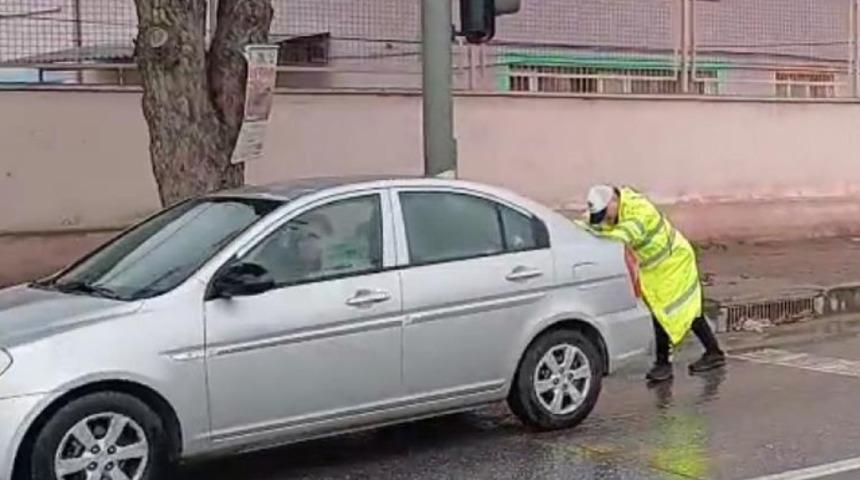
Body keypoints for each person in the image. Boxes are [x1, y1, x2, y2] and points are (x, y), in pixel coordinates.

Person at [581, 185, 726, 382]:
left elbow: (623, 236)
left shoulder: (638, 210)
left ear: (613, 201)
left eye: (605, 214)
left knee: (668, 311)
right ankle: (712, 353)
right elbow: (588, 222)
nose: (605, 220)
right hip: (656, 268)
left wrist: (592, 233)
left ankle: (664, 364)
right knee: (681, 310)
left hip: (674, 261)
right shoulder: (616, 209)